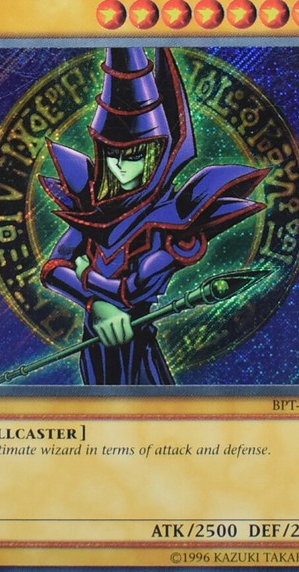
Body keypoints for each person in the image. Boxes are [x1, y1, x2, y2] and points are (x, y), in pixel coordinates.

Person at [39, 47, 267, 385]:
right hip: (97, 337)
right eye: (112, 154)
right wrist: (95, 305)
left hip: (133, 338)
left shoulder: (174, 218)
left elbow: (133, 290)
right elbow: (53, 268)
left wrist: (87, 277)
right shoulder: (94, 207)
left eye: (132, 156)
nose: (119, 166)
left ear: (155, 154)